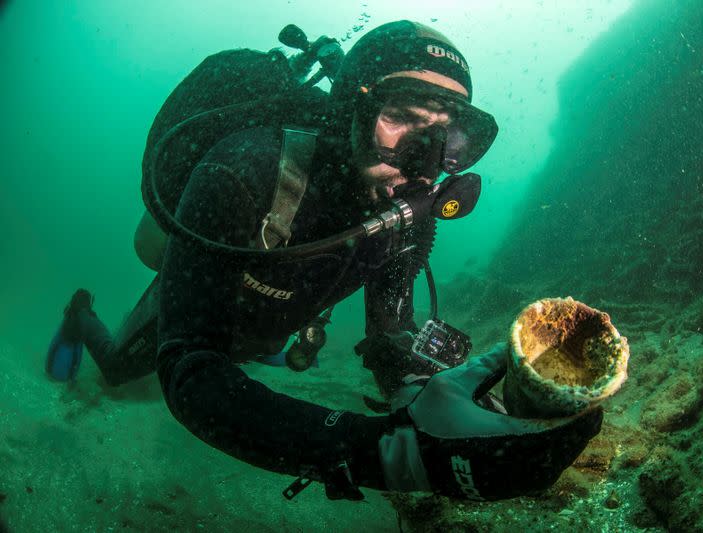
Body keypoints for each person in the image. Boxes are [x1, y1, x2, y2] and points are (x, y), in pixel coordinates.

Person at [47, 20, 602, 501]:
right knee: (121, 370)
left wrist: (437, 398)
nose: (426, 161)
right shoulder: (242, 172)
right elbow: (190, 373)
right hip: (207, 301)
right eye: (402, 116)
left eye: (449, 135)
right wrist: (387, 455)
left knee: (265, 350)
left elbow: (390, 339)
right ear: (349, 110)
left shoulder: (408, 215)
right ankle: (80, 314)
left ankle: (264, 348)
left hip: (270, 330)